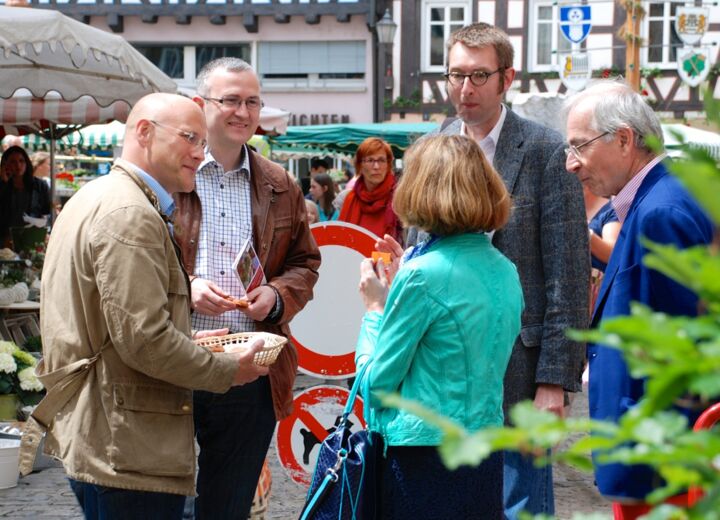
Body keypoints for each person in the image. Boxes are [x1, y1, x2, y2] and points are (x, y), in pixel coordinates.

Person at [28, 93, 269, 520]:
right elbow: (144, 341)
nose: (201, 152)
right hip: (126, 443)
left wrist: (188, 337)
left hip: (109, 434)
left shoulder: (101, 196)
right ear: (144, 132)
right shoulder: (130, 213)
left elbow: (114, 326)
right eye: (191, 138)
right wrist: (230, 370)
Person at [397, 23, 588, 518]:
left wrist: (554, 382)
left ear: (507, 78)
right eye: (456, 75)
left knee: (520, 504)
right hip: (442, 371)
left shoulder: (545, 150)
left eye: (479, 76)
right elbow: (417, 242)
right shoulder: (433, 144)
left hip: (519, 371)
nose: (465, 89)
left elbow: (568, 275)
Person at [173, 57, 321, 519]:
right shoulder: (173, 174)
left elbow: (305, 262)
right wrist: (186, 287)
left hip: (249, 366)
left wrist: (277, 295)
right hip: (175, 359)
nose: (243, 112)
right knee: (163, 500)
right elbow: (135, 261)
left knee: (228, 505)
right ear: (200, 105)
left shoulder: (279, 184)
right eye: (230, 100)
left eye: (252, 102)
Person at [356, 134, 523, 519]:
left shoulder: (420, 277)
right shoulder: (506, 270)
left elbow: (377, 387)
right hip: (483, 451)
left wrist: (375, 310)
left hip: (423, 458)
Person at [565, 81, 714, 505]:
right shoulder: (658, 199)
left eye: (579, 147)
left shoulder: (661, 211)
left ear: (625, 140)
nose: (571, 164)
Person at [338, 137, 403, 243]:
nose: (376, 166)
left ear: (388, 165)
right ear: (360, 165)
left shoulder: (401, 199)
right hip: (353, 258)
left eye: (381, 160)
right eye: (370, 160)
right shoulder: (346, 199)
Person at [0, 145, 51, 245]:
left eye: (21, 161)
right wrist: (3, 183)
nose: (18, 165)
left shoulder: (40, 186)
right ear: (5, 164)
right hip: (5, 240)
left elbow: (45, 213)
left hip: (32, 239)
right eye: (13, 162)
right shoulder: (3, 185)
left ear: (26, 162)